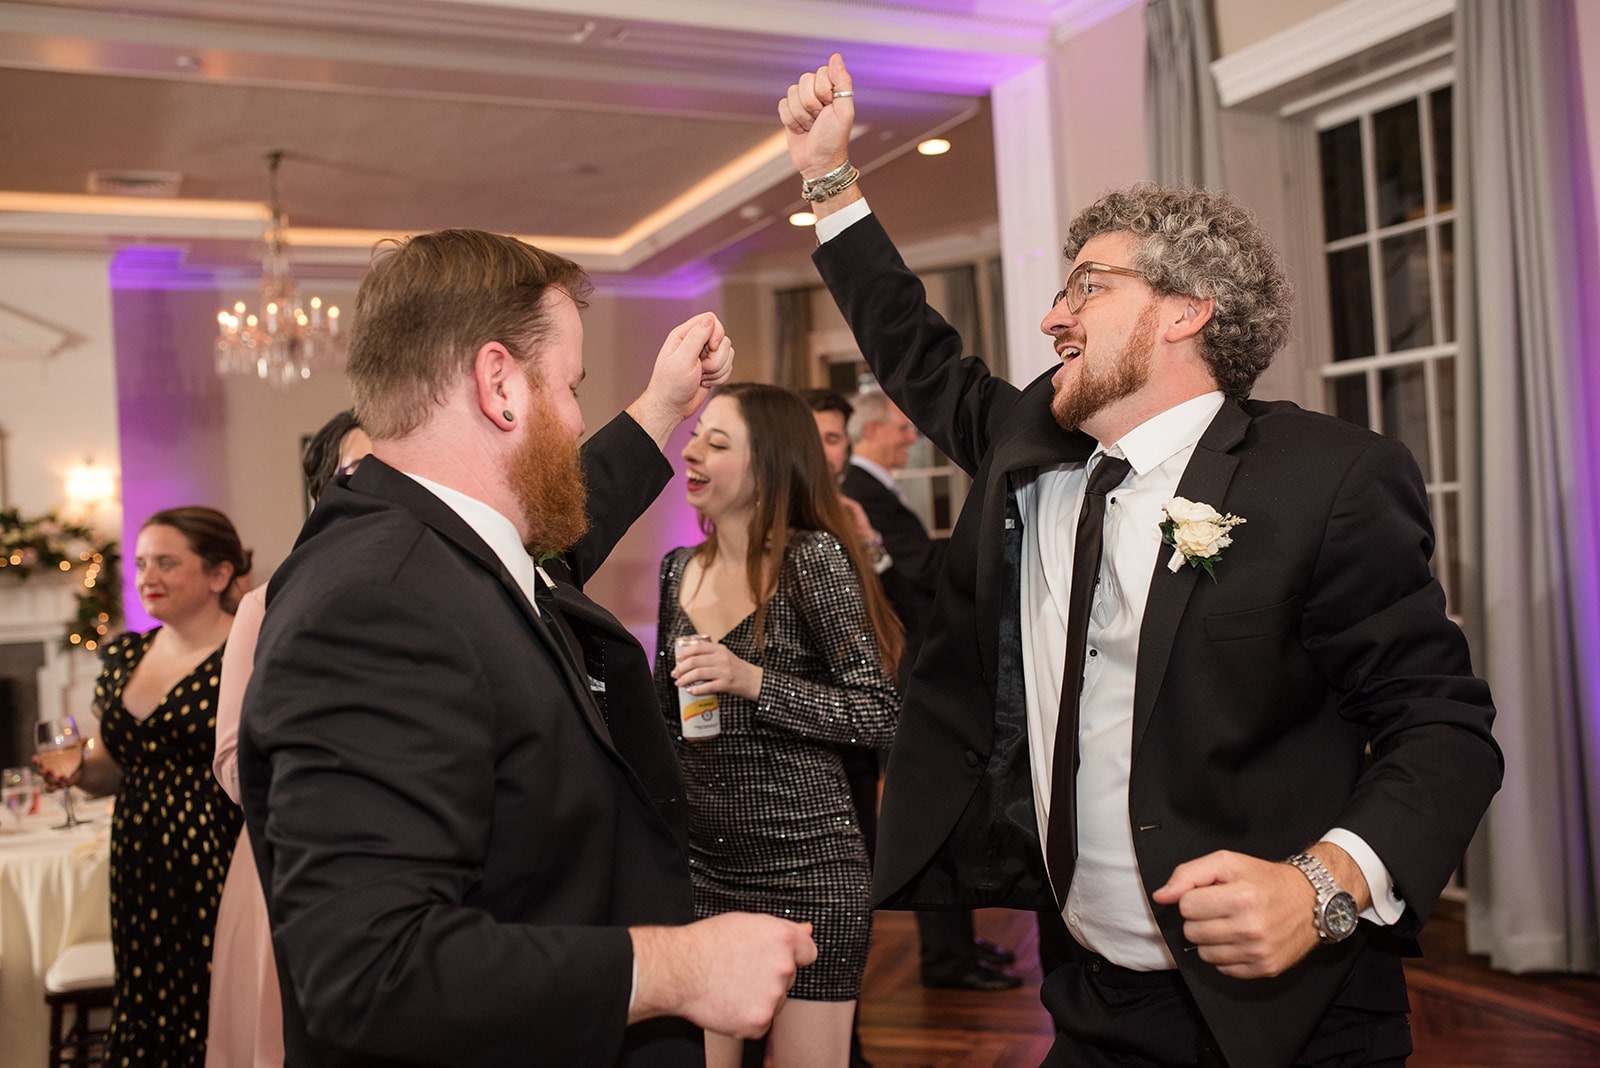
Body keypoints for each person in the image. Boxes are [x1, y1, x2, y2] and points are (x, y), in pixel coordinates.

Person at [780, 55, 1502, 1067]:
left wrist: (1322, 884)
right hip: (1082, 988)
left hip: (1284, 1017)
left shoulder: (1325, 477)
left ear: (1184, 310)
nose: (1052, 317)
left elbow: (1443, 726)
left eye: (1088, 286)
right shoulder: (1028, 449)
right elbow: (913, 347)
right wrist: (828, 179)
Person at [238, 229, 816, 1066]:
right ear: (500, 384)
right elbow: (368, 968)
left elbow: (552, 553)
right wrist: (675, 968)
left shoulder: (430, 550)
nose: (577, 419)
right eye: (572, 388)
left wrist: (662, 407)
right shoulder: (379, 606)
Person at [655, 382, 902, 1067]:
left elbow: (879, 713)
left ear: (766, 468)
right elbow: (664, 724)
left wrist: (753, 681)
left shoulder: (810, 560)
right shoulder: (676, 570)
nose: (691, 452)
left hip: (809, 873)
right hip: (704, 874)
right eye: (695, 436)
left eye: (717, 443)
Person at [805, 388, 1022, 993]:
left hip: (905, 670)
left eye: (835, 438)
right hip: (890, 677)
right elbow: (913, 579)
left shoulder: (861, 498)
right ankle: (944, 957)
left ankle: (952, 949)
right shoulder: (848, 500)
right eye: (824, 438)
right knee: (924, 817)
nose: (911, 437)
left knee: (938, 813)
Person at [40, 506, 250, 1065]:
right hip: (140, 856)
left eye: (166, 563)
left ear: (219, 574)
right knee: (149, 997)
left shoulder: (249, 650)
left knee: (216, 998)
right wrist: (76, 772)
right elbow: (109, 768)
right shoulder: (126, 653)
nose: (146, 577)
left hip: (217, 850)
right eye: (139, 564)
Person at [206, 411, 372, 1067]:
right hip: (292, 861)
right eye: (361, 471)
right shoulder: (267, 604)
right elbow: (231, 759)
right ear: (323, 492)